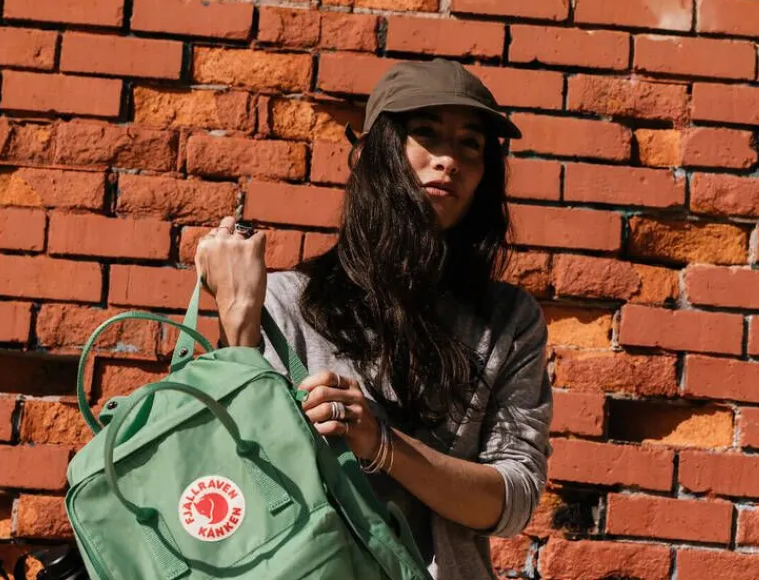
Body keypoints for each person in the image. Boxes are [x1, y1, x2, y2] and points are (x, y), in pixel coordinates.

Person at [195, 59, 552, 580]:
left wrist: (381, 443)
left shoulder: (508, 321)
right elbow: (235, 474)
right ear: (372, 154)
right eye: (425, 134)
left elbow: (513, 500)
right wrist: (239, 322)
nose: (448, 159)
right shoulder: (285, 304)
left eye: (470, 144)